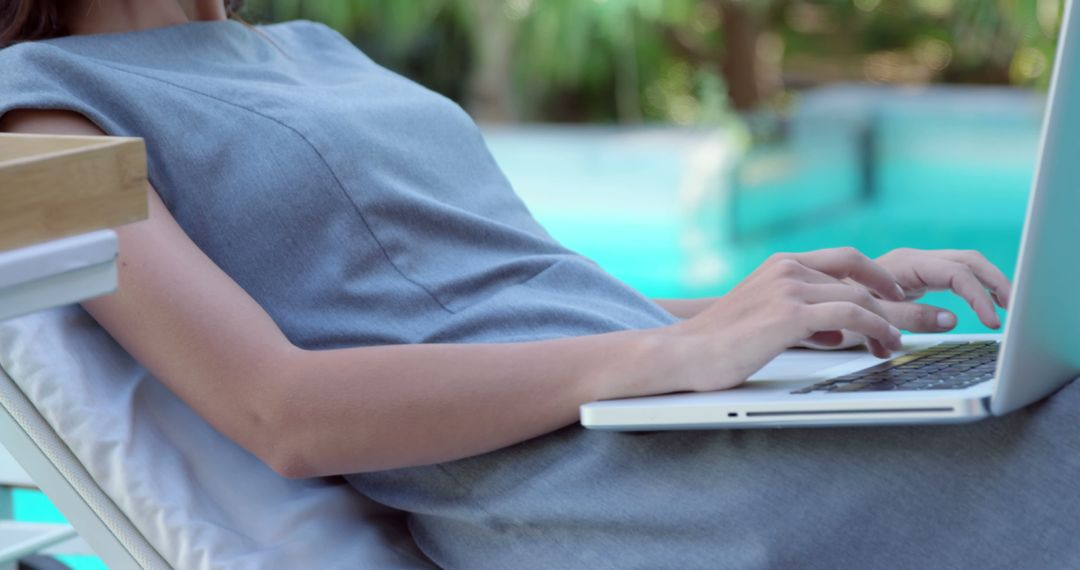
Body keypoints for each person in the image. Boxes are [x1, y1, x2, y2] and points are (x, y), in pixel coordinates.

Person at [2, 1, 1077, 568]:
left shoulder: (305, 46)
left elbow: (516, 294)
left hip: (670, 414)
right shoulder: (39, 113)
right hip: (612, 498)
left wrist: (775, 308)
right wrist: (677, 354)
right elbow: (280, 410)